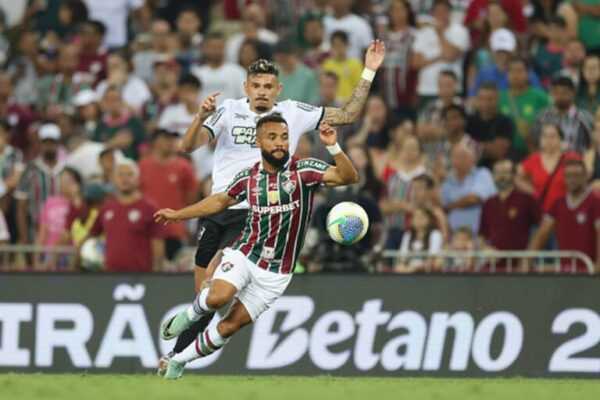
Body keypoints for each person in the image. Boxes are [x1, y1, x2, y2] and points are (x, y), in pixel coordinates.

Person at [158, 43, 385, 374]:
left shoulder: (293, 112)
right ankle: (179, 350)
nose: (262, 91)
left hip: (255, 212)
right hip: (220, 205)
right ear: (246, 87)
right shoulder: (228, 110)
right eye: (256, 85)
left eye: (268, 86)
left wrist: (369, 71)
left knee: (216, 288)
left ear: (278, 89)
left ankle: (175, 358)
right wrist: (201, 117)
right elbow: (187, 145)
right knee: (206, 296)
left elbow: (348, 114)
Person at [154, 115, 359, 379]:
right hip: (245, 254)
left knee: (228, 327)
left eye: (284, 137)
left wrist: (333, 146)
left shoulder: (304, 171)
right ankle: (190, 315)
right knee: (217, 298)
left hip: (277, 273)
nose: (279, 143)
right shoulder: (248, 178)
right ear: (259, 141)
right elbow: (218, 201)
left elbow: (348, 176)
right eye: (272, 137)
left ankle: (178, 361)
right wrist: (178, 215)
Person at [89, 159, 166, 272]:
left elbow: (158, 243)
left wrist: (156, 274)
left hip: (141, 275)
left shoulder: (150, 208)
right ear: (113, 179)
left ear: (138, 179)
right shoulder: (107, 208)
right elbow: (92, 235)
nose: (125, 179)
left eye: (129, 174)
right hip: (110, 275)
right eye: (120, 175)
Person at [529, 158, 600, 273]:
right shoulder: (558, 203)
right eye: (568, 176)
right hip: (566, 272)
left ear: (586, 176)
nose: (572, 179)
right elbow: (542, 232)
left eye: (576, 175)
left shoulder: (595, 202)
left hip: (588, 271)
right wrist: (527, 260)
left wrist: (597, 268)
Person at [139, 129, 197, 261]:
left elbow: (192, 198)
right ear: (155, 142)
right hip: (147, 228)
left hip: (174, 229)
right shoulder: (143, 165)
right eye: (166, 138)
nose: (170, 142)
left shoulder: (184, 167)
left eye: (172, 139)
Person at [15, 124, 64, 245]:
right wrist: (24, 237)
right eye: (46, 142)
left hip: (62, 234)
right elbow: (21, 206)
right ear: (40, 144)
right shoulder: (30, 169)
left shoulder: (66, 169)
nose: (49, 146)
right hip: (35, 232)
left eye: (52, 142)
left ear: (58, 144)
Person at [412, 0, 470, 102]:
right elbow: (415, 63)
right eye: (437, 11)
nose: (441, 14)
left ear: (450, 13)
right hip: (427, 89)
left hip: (452, 89)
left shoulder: (460, 31)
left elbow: (450, 56)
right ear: (432, 13)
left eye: (444, 11)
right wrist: (438, 57)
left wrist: (440, 34)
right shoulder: (423, 32)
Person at [479, 159, 540, 252]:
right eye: (497, 172)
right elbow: (481, 235)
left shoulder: (526, 199)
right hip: (493, 260)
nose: (501, 176)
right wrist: (485, 248)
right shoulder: (488, 203)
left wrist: (530, 252)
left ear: (514, 175)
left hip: (521, 258)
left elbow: (541, 227)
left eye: (505, 172)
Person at [516, 123, 578, 213]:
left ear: (561, 140)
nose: (548, 140)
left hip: (566, 211)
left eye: (552, 136)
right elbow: (516, 177)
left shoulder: (571, 158)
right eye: (544, 136)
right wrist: (531, 191)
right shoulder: (534, 159)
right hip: (540, 212)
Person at [441, 143, 497, 234]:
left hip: (480, 234)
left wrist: (451, 206)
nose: (458, 160)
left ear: (472, 159)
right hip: (454, 235)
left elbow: (474, 199)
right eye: (455, 157)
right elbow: (443, 207)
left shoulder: (482, 174)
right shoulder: (448, 181)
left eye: (463, 156)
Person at [499, 57, 550, 153]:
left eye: (519, 71)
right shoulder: (499, 97)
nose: (515, 75)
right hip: (506, 153)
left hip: (534, 151)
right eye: (511, 71)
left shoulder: (541, 97)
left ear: (528, 74)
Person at [532, 76, 594, 153]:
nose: (560, 96)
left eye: (564, 93)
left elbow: (592, 144)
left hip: (578, 159)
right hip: (548, 159)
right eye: (556, 93)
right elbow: (535, 143)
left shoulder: (585, 118)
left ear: (573, 93)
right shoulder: (542, 117)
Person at [467, 83, 516, 168]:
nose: (485, 103)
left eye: (490, 99)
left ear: (497, 100)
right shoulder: (468, 120)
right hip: (470, 167)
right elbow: (460, 147)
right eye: (481, 98)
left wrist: (473, 146)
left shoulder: (505, 122)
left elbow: (499, 151)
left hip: (496, 168)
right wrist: (488, 147)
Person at [191, 32, 246, 103]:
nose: (216, 50)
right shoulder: (196, 73)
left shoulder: (237, 71)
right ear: (205, 49)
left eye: (219, 47)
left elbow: (244, 98)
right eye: (212, 47)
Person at [396, 206, 443, 273]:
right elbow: (403, 256)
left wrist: (418, 267)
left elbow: (433, 257)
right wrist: (406, 266)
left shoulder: (435, 234)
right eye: (415, 217)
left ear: (429, 219)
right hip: (410, 267)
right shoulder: (408, 235)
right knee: (399, 267)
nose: (418, 220)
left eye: (421, 217)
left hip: (427, 268)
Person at [273, 40, 320, 105]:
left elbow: (313, 101)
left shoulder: (308, 76)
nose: (283, 62)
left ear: (294, 55)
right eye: (279, 60)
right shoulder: (271, 72)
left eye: (285, 59)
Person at [322, 30, 363, 103]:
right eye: (334, 46)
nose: (337, 48)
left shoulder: (355, 64)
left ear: (347, 45)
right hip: (332, 104)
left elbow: (359, 88)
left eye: (340, 45)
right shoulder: (327, 64)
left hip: (349, 104)